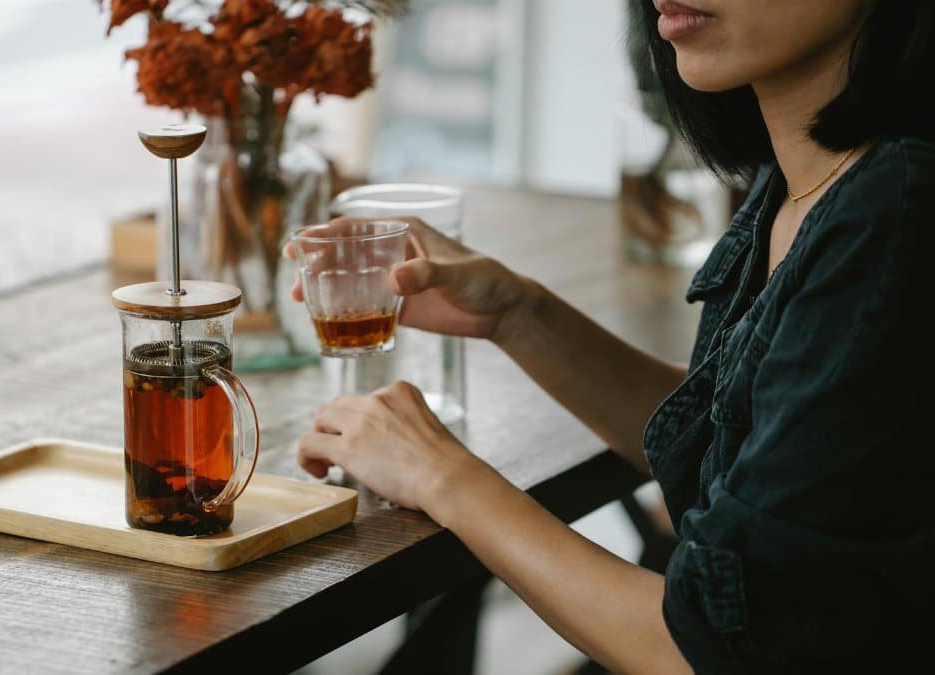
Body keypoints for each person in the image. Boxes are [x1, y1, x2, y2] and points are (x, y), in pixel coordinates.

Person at [287, 0, 935, 672]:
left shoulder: (892, 212)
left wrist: (440, 474)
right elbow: (746, 444)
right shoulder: (813, 177)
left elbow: (706, 651)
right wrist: (516, 314)